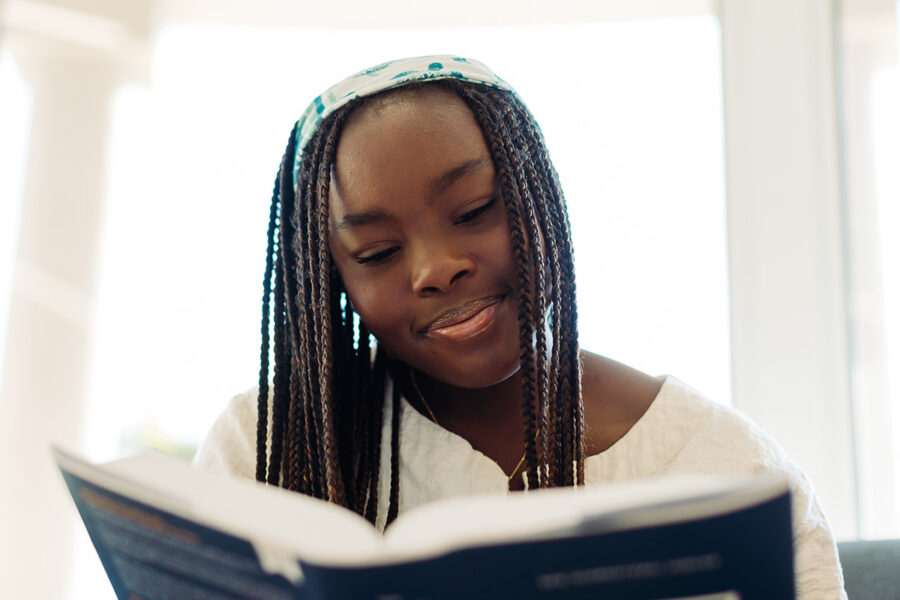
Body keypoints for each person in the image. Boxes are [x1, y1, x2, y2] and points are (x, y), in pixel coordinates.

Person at [194, 55, 846, 598]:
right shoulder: (263, 451)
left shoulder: (732, 471)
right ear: (334, 282)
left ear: (542, 200)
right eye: (377, 254)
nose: (437, 268)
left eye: (475, 210)